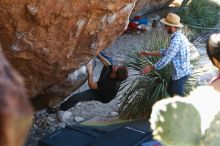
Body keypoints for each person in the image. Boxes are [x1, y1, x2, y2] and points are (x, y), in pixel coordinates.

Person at [48, 52, 128, 113]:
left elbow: (92, 86)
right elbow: (107, 64)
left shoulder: (109, 85)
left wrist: (90, 72)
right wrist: (97, 53)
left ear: (114, 75)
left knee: (76, 98)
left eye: (116, 68)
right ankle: (98, 51)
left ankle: (59, 109)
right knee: (109, 61)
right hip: (104, 82)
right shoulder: (114, 73)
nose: (116, 66)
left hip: (100, 95)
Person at [138, 13, 191, 97]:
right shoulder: (179, 36)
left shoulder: (176, 40)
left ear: (171, 26)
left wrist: (150, 67)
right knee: (170, 90)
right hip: (180, 73)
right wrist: (148, 53)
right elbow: (166, 51)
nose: (165, 27)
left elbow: (167, 58)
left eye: (166, 25)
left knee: (176, 100)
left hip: (180, 74)